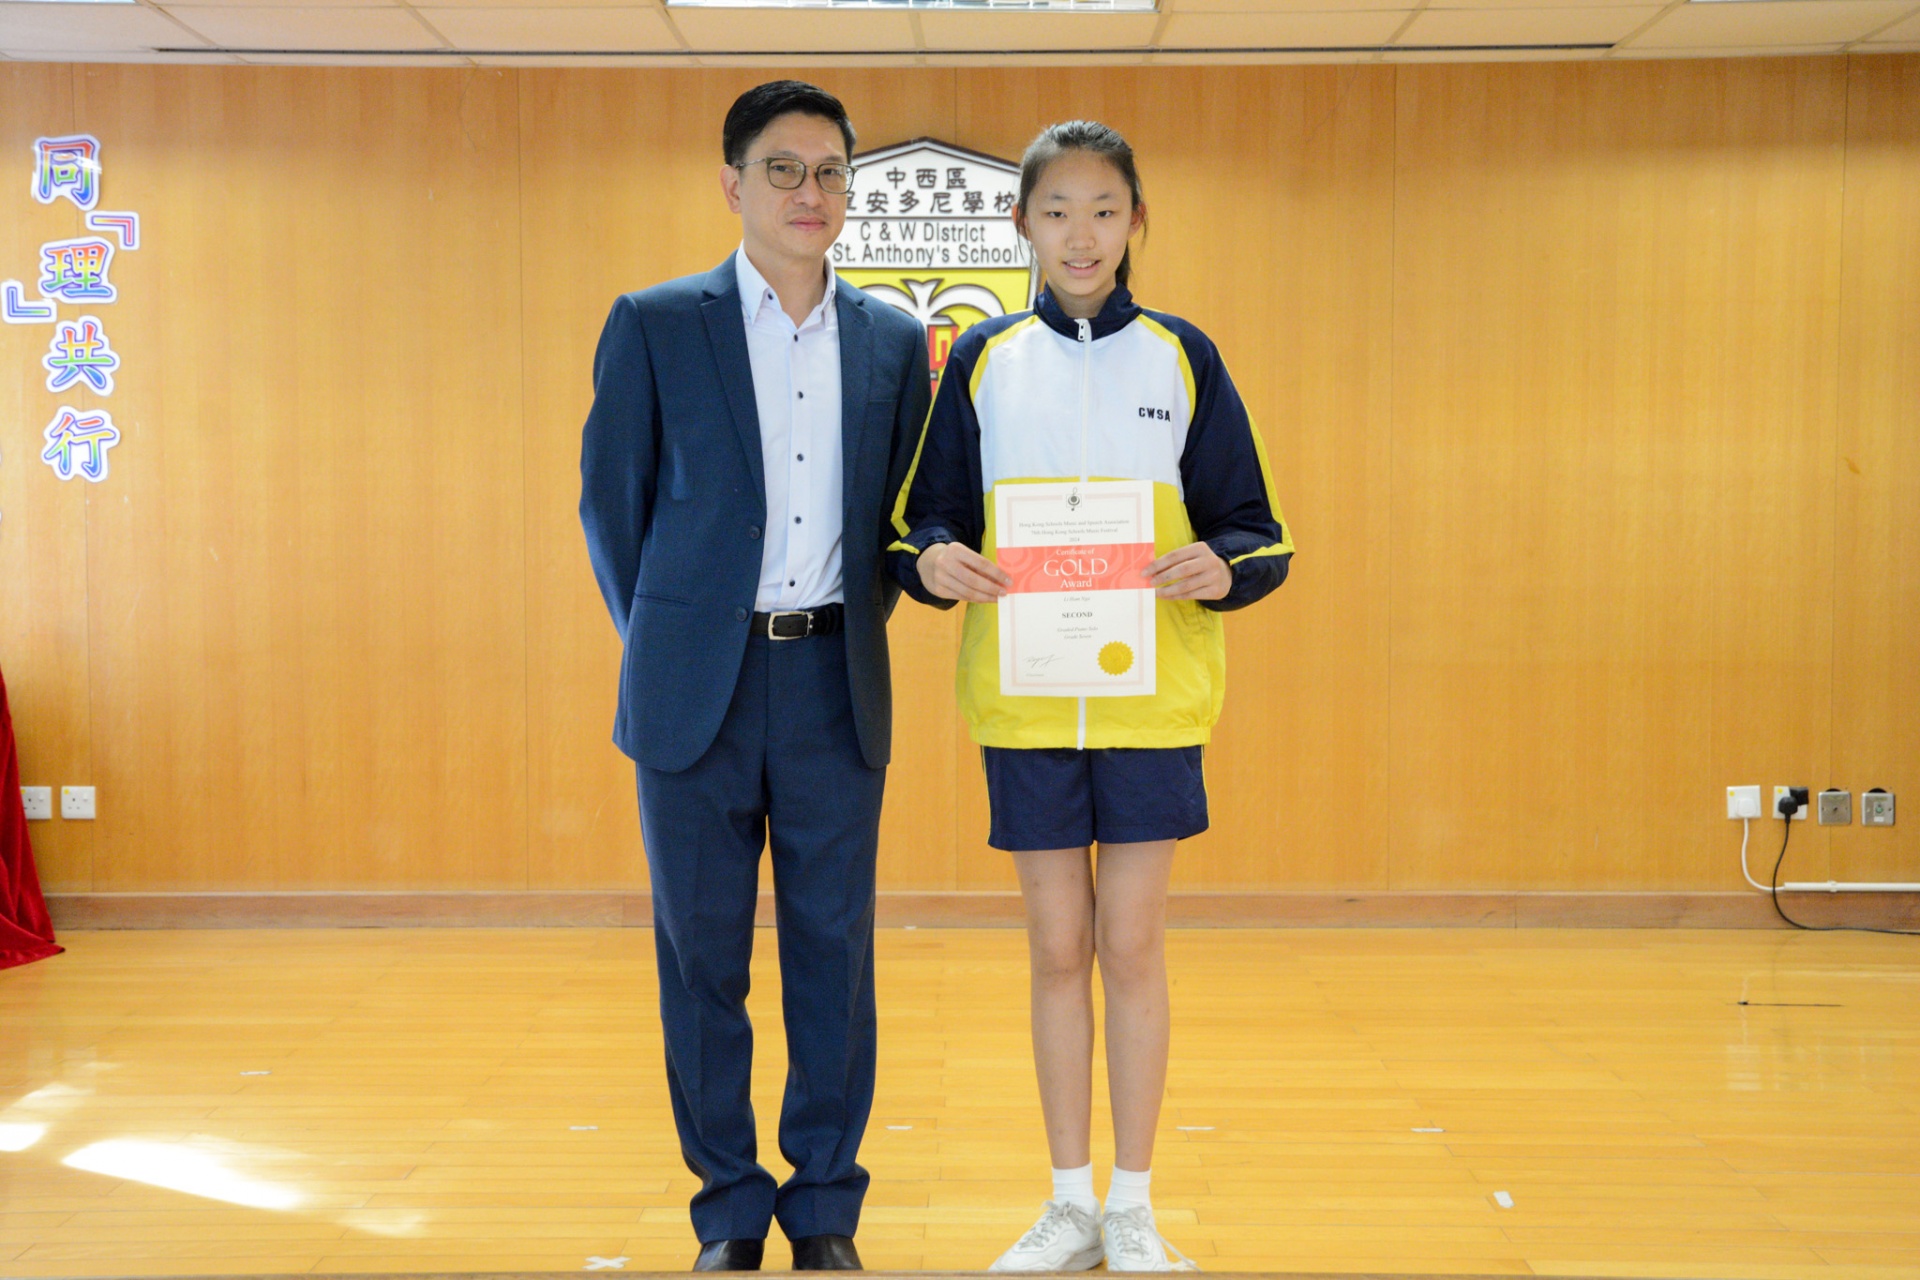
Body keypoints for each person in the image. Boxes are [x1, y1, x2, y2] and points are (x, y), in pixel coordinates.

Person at [886, 120, 1292, 1273]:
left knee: (1132, 942)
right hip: (1026, 701)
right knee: (1057, 947)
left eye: (1104, 209)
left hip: (1150, 700)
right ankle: (1069, 1202)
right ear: (1021, 222)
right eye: (1057, 210)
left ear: (1136, 220)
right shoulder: (983, 357)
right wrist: (935, 557)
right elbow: (924, 516)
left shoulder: (1182, 354)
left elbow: (1256, 527)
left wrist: (1224, 564)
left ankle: (1134, 1204)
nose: (1081, 234)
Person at [579, 80, 930, 1273]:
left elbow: (897, 520)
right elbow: (612, 507)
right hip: (695, 691)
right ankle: (728, 1205)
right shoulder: (655, 323)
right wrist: (672, 639)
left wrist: (838, 621)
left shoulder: (891, 340)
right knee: (702, 958)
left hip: (834, 681)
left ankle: (824, 1204)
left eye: (829, 171)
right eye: (783, 169)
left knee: (835, 953)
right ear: (733, 184)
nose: (808, 192)